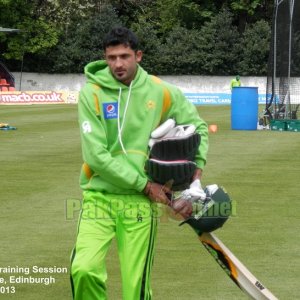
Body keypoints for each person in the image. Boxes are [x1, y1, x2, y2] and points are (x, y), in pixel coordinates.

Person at [70, 26, 208, 300]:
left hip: (139, 206)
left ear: (139, 56)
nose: (117, 64)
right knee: (83, 269)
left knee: (137, 287)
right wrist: (146, 186)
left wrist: (195, 176)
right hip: (99, 197)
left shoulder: (161, 92)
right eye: (111, 57)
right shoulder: (92, 94)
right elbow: (96, 157)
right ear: (105, 58)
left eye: (124, 56)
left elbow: (198, 128)